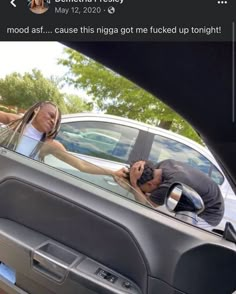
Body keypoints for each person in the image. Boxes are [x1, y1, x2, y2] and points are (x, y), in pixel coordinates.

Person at [129, 159, 225, 229]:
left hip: (209, 214)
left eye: (145, 191)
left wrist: (134, 185)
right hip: (208, 195)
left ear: (150, 184)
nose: (146, 193)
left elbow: (147, 205)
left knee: (180, 234)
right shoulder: (164, 164)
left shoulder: (169, 184)